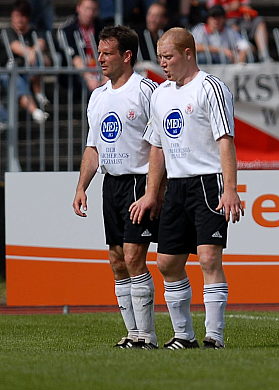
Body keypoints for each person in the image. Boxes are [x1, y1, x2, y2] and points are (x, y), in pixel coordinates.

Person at [130, 27, 242, 350]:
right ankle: (184, 335)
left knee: (208, 258)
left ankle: (214, 337)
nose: (163, 63)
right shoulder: (161, 94)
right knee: (167, 263)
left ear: (188, 53)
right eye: (160, 57)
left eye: (168, 56)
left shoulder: (210, 88)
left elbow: (225, 141)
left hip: (208, 182)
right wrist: (152, 193)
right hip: (176, 186)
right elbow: (156, 146)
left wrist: (230, 188)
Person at [72, 25, 160, 349]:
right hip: (111, 184)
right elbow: (92, 147)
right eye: (99, 52)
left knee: (135, 256)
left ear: (126, 56)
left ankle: (147, 336)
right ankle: (133, 333)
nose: (100, 59)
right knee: (116, 259)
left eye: (107, 53)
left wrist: (154, 190)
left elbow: (159, 144)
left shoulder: (146, 91)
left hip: (139, 182)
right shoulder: (98, 96)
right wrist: (81, 187)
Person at [2, 0, 50, 124]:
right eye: (17, 16)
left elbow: (42, 43)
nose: (20, 20)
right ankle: (35, 110)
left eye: (23, 16)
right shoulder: (7, 32)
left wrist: (33, 52)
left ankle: (38, 93)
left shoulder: (33, 31)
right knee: (15, 80)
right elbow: (15, 47)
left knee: (40, 59)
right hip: (9, 73)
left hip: (28, 72)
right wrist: (32, 52)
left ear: (28, 18)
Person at [60, 0, 105, 91]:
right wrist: (89, 77)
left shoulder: (101, 27)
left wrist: (106, 77)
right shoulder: (67, 29)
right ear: (78, 8)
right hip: (77, 74)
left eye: (93, 10)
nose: (90, 13)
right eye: (87, 9)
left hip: (100, 71)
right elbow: (75, 58)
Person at [205, 0, 270, 61]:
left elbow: (247, 7)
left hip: (242, 19)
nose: (215, 20)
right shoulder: (203, 28)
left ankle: (264, 55)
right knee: (231, 27)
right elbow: (212, 11)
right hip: (227, 20)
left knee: (259, 21)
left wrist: (247, 11)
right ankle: (234, 55)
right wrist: (230, 7)